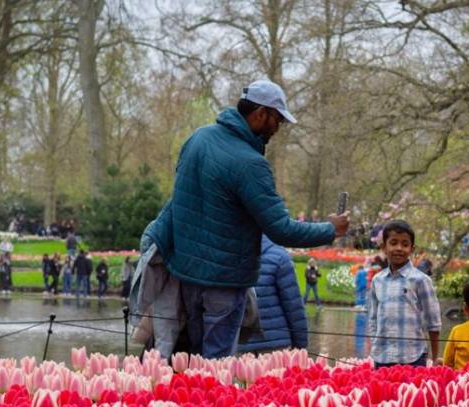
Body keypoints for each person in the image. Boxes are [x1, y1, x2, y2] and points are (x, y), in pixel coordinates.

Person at [138, 79, 348, 359]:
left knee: (193, 359)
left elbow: (181, 201)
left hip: (187, 276)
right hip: (224, 281)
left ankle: (191, 402)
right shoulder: (250, 163)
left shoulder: (198, 138)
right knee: (217, 361)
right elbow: (281, 230)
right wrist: (330, 229)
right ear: (260, 113)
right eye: (277, 120)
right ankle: (213, 403)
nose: (278, 128)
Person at [367, 220, 441, 367]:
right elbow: (373, 318)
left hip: (413, 356)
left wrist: (435, 357)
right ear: (384, 247)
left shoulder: (421, 280)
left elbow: (433, 322)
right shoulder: (377, 280)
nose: (399, 248)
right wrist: (375, 344)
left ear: (412, 249)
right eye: (393, 243)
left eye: (405, 244)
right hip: (382, 357)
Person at [240, 236, 310, 353]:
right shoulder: (279, 257)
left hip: (238, 344)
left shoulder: (227, 255)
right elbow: (294, 307)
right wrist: (300, 346)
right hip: (276, 346)